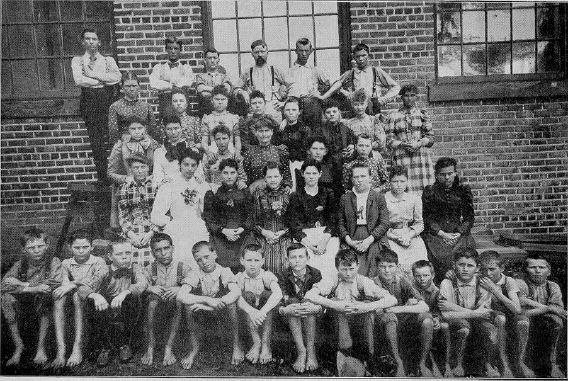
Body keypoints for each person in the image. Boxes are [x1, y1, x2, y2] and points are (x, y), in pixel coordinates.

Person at [304, 249, 397, 361]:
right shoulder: (333, 279)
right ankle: (344, 352)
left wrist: (364, 307)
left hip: (358, 322)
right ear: (337, 268)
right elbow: (310, 295)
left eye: (351, 269)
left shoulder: (363, 281)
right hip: (335, 322)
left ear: (358, 266)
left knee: (368, 306)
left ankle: (368, 356)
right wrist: (334, 304)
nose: (348, 273)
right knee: (337, 303)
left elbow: (392, 299)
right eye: (344, 269)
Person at [438, 249, 504, 377]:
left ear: (477, 267)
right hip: (457, 322)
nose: (465, 269)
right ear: (454, 265)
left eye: (470, 265)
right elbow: (446, 315)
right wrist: (475, 313)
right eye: (461, 265)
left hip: (478, 321)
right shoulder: (447, 283)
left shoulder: (484, 283)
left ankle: (488, 364)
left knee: (490, 331)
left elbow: (484, 313)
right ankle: (457, 364)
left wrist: (453, 307)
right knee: (464, 329)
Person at [1, 228, 62, 367]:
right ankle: (19, 346)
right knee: (6, 298)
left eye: (40, 246)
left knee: (44, 295)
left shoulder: (53, 261)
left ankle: (41, 348)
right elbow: (4, 284)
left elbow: (54, 282)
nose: (36, 250)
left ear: (47, 245)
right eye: (31, 247)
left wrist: (19, 284)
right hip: (24, 301)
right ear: (24, 249)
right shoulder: (20, 265)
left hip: (42, 301)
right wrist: (29, 286)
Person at [176, 241, 242, 369]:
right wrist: (206, 300)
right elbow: (181, 295)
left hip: (221, 311)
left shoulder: (224, 271)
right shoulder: (195, 273)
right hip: (203, 313)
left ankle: (236, 345)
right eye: (199, 260)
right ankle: (194, 348)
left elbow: (236, 291)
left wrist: (213, 304)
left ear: (215, 254)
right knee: (188, 305)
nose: (204, 262)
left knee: (232, 304)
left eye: (206, 257)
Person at [52, 229, 109, 368]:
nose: (81, 251)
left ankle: (77, 347)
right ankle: (61, 349)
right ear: (69, 247)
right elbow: (64, 283)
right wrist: (69, 284)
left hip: (94, 297)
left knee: (78, 295)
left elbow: (95, 281)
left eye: (85, 247)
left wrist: (73, 283)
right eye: (77, 247)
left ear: (92, 247)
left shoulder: (98, 261)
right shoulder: (66, 263)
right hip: (74, 297)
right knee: (58, 297)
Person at [86, 240, 147, 366]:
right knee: (91, 302)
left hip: (126, 306)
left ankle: (124, 345)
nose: (125, 257)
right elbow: (85, 286)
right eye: (119, 254)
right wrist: (96, 295)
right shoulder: (104, 270)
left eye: (128, 253)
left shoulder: (135, 268)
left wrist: (125, 293)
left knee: (133, 298)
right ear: (110, 256)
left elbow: (142, 283)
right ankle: (105, 348)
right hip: (107, 306)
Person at [373, 248, 432, 377]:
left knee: (426, 319)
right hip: (382, 325)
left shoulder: (401, 281)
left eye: (390, 266)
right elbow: (376, 311)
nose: (387, 270)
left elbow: (424, 306)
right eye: (382, 266)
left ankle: (422, 362)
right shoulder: (373, 283)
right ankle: (398, 361)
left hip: (402, 321)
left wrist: (399, 308)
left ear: (397, 266)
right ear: (376, 267)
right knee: (389, 318)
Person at [71, 28, 121, 182]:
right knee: (96, 139)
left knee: (112, 135)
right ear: (82, 42)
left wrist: (93, 75)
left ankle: (115, 173)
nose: (91, 42)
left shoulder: (108, 60)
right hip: (89, 101)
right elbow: (79, 80)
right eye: (87, 39)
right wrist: (102, 80)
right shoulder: (77, 60)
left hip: (106, 100)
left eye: (94, 39)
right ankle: (102, 177)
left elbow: (117, 78)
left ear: (99, 42)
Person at [151, 147, 210, 268]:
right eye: (186, 164)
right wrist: (171, 224)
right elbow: (156, 215)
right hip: (177, 229)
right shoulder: (170, 185)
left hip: (198, 228)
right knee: (181, 264)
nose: (189, 168)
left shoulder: (202, 186)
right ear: (179, 164)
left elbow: (209, 212)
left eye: (193, 165)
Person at [141, 233, 193, 367]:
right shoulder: (149, 269)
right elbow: (141, 284)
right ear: (152, 253)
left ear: (173, 248)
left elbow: (192, 282)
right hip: (156, 309)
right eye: (158, 250)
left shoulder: (183, 267)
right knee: (152, 302)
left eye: (166, 248)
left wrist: (180, 288)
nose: (163, 253)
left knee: (179, 300)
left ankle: (168, 347)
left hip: (176, 309)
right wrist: (150, 288)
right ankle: (150, 347)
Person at [422, 157, 475, 283]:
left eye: (450, 174)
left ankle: (460, 280)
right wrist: (441, 233)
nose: (447, 178)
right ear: (436, 175)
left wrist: (459, 232)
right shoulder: (430, 191)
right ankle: (442, 280)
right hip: (436, 232)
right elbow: (427, 217)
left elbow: (469, 217)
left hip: (457, 231)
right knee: (436, 251)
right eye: (442, 174)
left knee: (465, 248)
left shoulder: (463, 190)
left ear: (455, 173)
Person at [288, 159, 339, 280]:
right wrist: (310, 245)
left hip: (327, 237)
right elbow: (294, 224)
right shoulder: (296, 196)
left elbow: (333, 219)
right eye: (308, 173)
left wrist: (324, 241)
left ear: (320, 174)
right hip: (305, 239)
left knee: (329, 269)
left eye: (314, 173)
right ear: (302, 174)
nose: (311, 177)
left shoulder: (328, 194)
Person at [516, 255, 566, 378]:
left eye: (542, 267)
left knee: (557, 322)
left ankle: (552, 364)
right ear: (525, 270)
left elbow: (557, 310)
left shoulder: (552, 286)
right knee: (523, 323)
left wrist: (550, 309)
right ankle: (521, 362)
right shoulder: (520, 284)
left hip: (543, 319)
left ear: (549, 272)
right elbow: (520, 312)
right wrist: (548, 308)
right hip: (525, 319)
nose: (537, 271)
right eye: (533, 267)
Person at [338, 161, 390, 277]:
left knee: (375, 270)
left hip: (373, 237)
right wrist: (349, 241)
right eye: (356, 177)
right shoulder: (345, 198)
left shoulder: (378, 197)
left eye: (363, 176)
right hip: (352, 237)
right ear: (352, 179)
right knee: (352, 270)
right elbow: (340, 223)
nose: (359, 180)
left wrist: (368, 240)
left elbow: (385, 223)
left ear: (370, 178)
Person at [277, 243, 323, 373]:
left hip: (311, 316)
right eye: (293, 257)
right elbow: (280, 298)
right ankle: (301, 350)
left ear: (308, 258)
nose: (297, 260)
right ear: (287, 259)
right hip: (290, 316)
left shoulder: (315, 274)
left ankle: (311, 350)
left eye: (301, 256)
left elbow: (322, 296)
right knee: (292, 301)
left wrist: (316, 308)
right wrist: (285, 309)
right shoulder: (282, 275)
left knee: (309, 302)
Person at [478, 250, 525, 378]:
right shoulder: (480, 280)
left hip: (508, 317)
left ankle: (512, 363)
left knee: (514, 326)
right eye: (484, 269)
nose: (488, 273)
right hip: (486, 316)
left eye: (492, 269)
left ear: (502, 268)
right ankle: (494, 364)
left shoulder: (508, 281)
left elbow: (517, 308)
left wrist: (494, 289)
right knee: (495, 326)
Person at [319, 43, 400, 116]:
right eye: (358, 56)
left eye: (363, 55)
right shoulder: (350, 73)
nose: (361, 59)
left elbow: (396, 87)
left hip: (373, 107)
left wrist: (383, 100)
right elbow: (336, 84)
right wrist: (346, 93)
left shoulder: (376, 71)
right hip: (356, 108)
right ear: (354, 57)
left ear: (368, 56)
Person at [203, 159, 255, 271]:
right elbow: (209, 218)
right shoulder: (213, 192)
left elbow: (251, 214)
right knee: (223, 268)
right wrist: (224, 231)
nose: (229, 176)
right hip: (221, 236)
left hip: (242, 234)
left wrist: (242, 229)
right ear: (220, 174)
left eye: (232, 173)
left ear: (237, 173)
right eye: (225, 173)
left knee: (245, 263)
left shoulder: (244, 191)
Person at [235, 244, 283, 364]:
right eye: (249, 260)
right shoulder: (240, 277)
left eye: (256, 260)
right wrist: (252, 312)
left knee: (268, 295)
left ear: (262, 261)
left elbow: (278, 294)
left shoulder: (266, 275)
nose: (252, 264)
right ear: (242, 261)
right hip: (248, 315)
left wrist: (261, 312)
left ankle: (266, 344)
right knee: (246, 295)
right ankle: (256, 342)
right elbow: (235, 296)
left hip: (265, 315)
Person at [108, 119, 159, 229]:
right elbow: (110, 173)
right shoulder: (120, 146)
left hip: (150, 187)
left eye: (140, 128)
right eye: (133, 129)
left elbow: (159, 165)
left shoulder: (153, 144)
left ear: (145, 129)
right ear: (128, 130)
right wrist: (126, 178)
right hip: (128, 188)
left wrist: (155, 176)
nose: (136, 131)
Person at [385, 84, 435, 194]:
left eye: (412, 95)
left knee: (424, 190)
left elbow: (430, 138)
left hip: (420, 157)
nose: (409, 98)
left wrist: (420, 143)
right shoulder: (394, 116)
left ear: (416, 97)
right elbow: (389, 141)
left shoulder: (422, 114)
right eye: (406, 95)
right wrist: (402, 144)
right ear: (401, 97)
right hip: (402, 157)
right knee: (404, 188)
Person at [384, 166, 428, 275]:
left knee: (418, 263)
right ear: (390, 182)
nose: (399, 185)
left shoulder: (414, 199)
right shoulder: (383, 199)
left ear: (407, 182)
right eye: (395, 181)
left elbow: (419, 223)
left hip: (410, 235)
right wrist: (395, 237)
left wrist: (409, 235)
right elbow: (381, 225)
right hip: (391, 236)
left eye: (402, 181)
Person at [411, 260, 452, 377]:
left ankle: (446, 363)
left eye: (425, 275)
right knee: (427, 323)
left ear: (432, 275)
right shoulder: (410, 289)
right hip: (415, 323)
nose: (422, 279)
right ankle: (424, 362)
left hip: (432, 322)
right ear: (413, 276)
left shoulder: (437, 291)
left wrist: (438, 319)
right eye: (418, 276)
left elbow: (441, 310)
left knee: (445, 326)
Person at [117, 153, 159, 267]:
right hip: (133, 229)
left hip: (153, 229)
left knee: (154, 259)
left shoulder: (156, 186)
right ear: (130, 170)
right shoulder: (125, 187)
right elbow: (123, 213)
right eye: (136, 168)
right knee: (131, 260)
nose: (140, 171)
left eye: (143, 167)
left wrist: (152, 232)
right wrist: (131, 234)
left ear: (148, 168)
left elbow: (163, 212)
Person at [252, 162, 293, 275]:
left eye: (276, 176)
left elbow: (293, 221)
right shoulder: (258, 194)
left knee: (286, 263)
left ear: (281, 177)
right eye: (269, 177)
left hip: (284, 237)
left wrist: (282, 232)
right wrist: (264, 232)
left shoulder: (288, 195)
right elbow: (253, 220)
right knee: (263, 264)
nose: (273, 180)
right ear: (264, 178)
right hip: (263, 237)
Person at [233, 40, 287, 122]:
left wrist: (284, 103)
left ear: (267, 52)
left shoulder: (275, 70)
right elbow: (236, 88)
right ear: (252, 54)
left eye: (262, 52)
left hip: (273, 109)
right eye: (256, 52)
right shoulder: (248, 72)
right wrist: (242, 92)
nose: (260, 55)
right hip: (255, 109)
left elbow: (291, 87)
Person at [284, 37, 330, 128]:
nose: (304, 54)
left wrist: (320, 94)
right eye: (301, 51)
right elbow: (282, 92)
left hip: (312, 108)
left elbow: (330, 85)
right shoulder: (288, 72)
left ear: (311, 51)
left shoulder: (315, 70)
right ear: (296, 51)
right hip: (294, 109)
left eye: (306, 50)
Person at [152, 112, 203, 190]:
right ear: (164, 130)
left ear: (181, 128)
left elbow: (200, 176)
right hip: (168, 190)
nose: (173, 132)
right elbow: (157, 177)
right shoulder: (159, 152)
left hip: (190, 189)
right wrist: (162, 182)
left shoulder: (192, 149)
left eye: (176, 128)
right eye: (169, 129)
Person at [108, 71, 160, 145]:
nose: (131, 89)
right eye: (128, 86)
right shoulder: (115, 107)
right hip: (124, 144)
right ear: (122, 87)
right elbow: (113, 132)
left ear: (139, 86)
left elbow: (153, 128)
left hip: (144, 143)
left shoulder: (146, 106)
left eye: (134, 85)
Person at [242, 118, 292, 193]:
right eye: (261, 131)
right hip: (256, 190)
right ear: (255, 132)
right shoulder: (250, 152)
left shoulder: (280, 151)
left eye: (267, 131)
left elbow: (286, 172)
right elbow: (246, 174)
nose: (264, 134)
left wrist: (287, 186)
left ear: (272, 132)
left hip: (276, 191)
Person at [149, 36, 194, 117]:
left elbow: (187, 82)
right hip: (165, 104)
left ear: (180, 50)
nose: (173, 51)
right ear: (166, 50)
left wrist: (165, 85)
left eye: (176, 48)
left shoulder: (186, 68)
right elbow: (154, 83)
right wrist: (172, 85)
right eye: (170, 48)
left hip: (181, 105)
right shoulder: (158, 68)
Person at [277, 97, 312, 191]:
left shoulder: (305, 129)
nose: (291, 112)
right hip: (284, 165)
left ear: (299, 112)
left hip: (300, 163)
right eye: (288, 110)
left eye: (294, 109)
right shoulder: (280, 129)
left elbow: (306, 150)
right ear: (284, 112)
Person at [203, 124, 247, 189]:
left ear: (229, 139)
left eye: (224, 138)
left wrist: (241, 182)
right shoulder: (211, 158)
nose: (221, 142)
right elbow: (206, 179)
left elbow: (241, 177)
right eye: (218, 139)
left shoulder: (235, 157)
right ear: (214, 140)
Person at [200, 85, 241, 155]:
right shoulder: (207, 118)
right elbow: (204, 142)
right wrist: (208, 153)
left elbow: (237, 141)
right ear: (212, 100)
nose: (220, 102)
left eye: (223, 99)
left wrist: (237, 152)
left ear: (227, 100)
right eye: (217, 99)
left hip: (230, 151)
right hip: (212, 152)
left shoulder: (233, 118)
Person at [313, 99, 356, 165]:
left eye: (334, 111)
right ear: (324, 114)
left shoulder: (345, 129)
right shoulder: (320, 131)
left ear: (339, 112)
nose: (332, 114)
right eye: (328, 112)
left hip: (344, 164)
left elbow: (353, 140)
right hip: (327, 164)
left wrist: (352, 146)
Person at [346, 89, 386, 155]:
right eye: (356, 104)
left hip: (373, 155)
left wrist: (358, 148)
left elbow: (381, 142)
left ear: (366, 104)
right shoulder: (349, 123)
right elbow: (348, 145)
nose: (359, 107)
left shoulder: (373, 120)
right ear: (352, 105)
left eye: (362, 104)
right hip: (355, 156)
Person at [195, 48, 232, 117]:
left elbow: (227, 90)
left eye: (215, 58)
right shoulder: (200, 77)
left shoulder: (224, 76)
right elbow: (201, 90)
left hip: (223, 112)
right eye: (209, 58)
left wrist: (208, 89)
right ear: (205, 60)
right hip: (206, 112)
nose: (212, 60)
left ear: (218, 60)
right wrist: (220, 90)